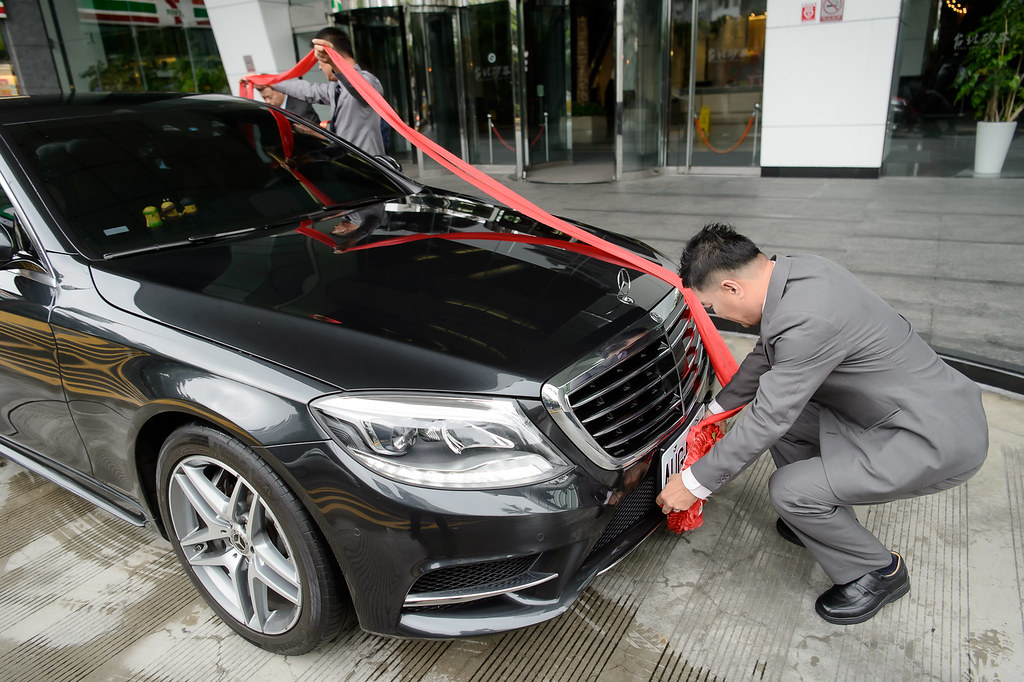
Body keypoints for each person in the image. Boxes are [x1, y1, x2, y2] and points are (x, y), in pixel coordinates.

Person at [656, 223, 988, 625]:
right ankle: (819, 517)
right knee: (790, 423)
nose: (715, 315)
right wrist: (715, 412)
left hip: (932, 438)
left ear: (731, 288)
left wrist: (694, 482)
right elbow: (767, 355)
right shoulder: (798, 274)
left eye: (711, 307)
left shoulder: (807, 318)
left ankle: (877, 572)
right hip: (900, 410)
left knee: (789, 490)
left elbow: (769, 416)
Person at [253, 27, 385, 156]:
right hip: (348, 165)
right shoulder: (335, 88)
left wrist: (335, 63)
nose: (319, 67)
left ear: (332, 54)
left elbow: (356, 86)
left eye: (320, 60)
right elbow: (307, 90)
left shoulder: (368, 81)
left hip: (369, 169)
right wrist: (267, 81)